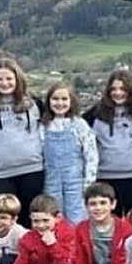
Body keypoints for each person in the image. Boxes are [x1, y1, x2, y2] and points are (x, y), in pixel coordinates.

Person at [0, 58, 44, 227]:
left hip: (32, 171)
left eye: (9, 78)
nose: (4, 83)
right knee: (2, 224)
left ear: (18, 79)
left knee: (31, 223)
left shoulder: (35, 103)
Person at [84, 68, 132, 214]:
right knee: (109, 223)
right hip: (105, 177)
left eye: (122, 89)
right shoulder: (94, 115)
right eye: (113, 89)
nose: (118, 93)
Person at [37, 81, 98, 224]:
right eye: (55, 99)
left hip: (76, 183)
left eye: (64, 99)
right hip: (50, 182)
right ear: (48, 101)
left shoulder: (79, 125)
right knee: (53, 218)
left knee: (76, 219)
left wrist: (89, 183)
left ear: (71, 101)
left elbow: (91, 155)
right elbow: (39, 155)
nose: (60, 103)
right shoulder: (43, 126)